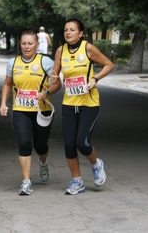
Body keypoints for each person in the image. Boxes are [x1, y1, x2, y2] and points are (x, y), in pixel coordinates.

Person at [50, 18, 114, 195]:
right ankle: (77, 181)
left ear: (81, 33)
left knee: (82, 143)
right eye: (65, 30)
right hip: (69, 103)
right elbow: (55, 72)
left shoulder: (88, 48)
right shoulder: (60, 51)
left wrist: (95, 79)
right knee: (69, 145)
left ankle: (96, 164)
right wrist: (53, 78)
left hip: (89, 103)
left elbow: (109, 64)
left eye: (72, 30)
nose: (68, 33)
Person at [0, 30, 61, 196]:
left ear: (37, 45)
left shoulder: (45, 62)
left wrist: (46, 92)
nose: (26, 47)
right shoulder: (13, 62)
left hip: (42, 110)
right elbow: (7, 84)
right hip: (20, 110)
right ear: (20, 44)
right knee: (24, 143)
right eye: (24, 43)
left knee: (40, 145)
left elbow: (57, 84)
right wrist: (3, 103)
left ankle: (43, 161)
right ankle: (26, 182)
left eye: (30, 43)